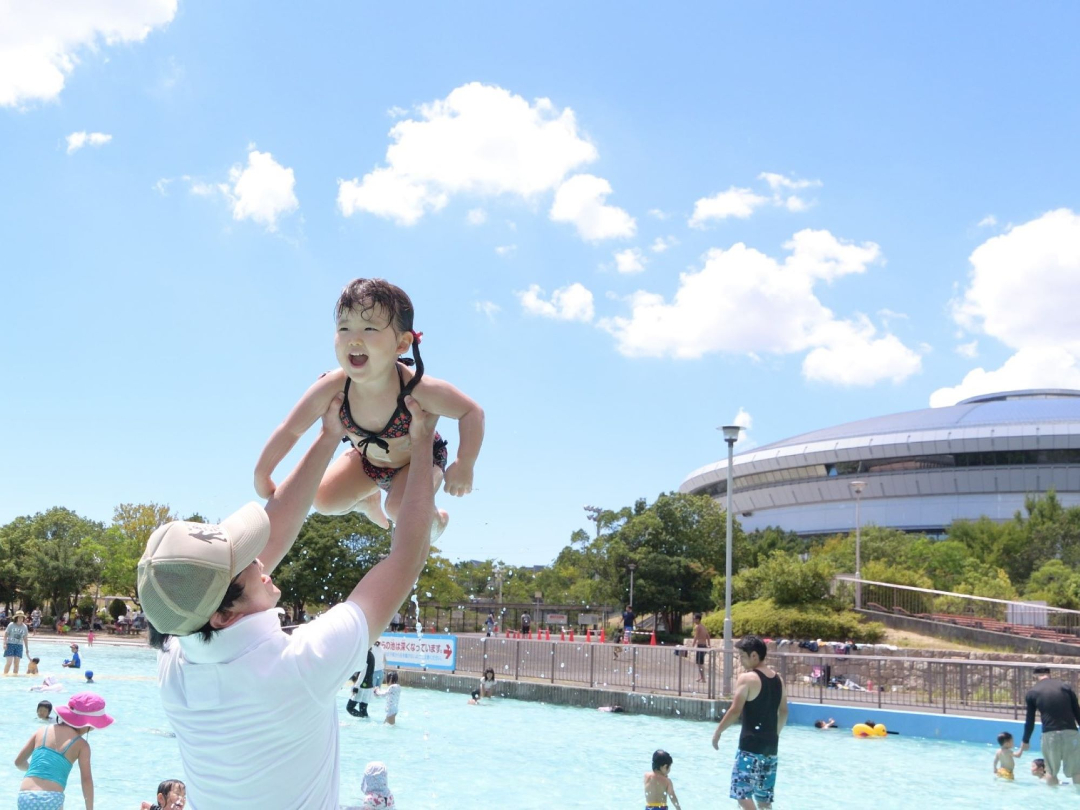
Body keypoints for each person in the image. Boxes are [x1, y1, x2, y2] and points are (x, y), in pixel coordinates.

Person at [138, 392, 439, 809]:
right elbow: (406, 557)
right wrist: (423, 443)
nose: (263, 559)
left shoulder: (175, 658)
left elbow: (270, 533)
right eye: (248, 563)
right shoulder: (301, 663)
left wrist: (329, 434)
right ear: (225, 615)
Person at [254, 277, 485, 541]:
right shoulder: (334, 385)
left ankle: (435, 520)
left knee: (399, 509)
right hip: (368, 462)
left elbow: (471, 412)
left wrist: (464, 463)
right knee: (323, 500)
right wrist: (263, 472)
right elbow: (291, 429)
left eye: (369, 329)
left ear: (401, 344)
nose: (354, 339)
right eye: (344, 328)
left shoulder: (416, 388)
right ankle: (367, 501)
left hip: (418, 463)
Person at [712, 635, 788, 809]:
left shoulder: (747, 678)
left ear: (754, 656)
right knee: (764, 798)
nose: (741, 660)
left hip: (750, 749)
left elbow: (735, 710)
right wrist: (774, 734)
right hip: (771, 749)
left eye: (742, 656)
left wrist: (718, 732)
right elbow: (784, 711)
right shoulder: (779, 680)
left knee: (742, 793)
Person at [14, 692, 113, 810]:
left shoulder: (41, 730)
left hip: (25, 796)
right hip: (52, 798)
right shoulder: (82, 745)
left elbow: (18, 762)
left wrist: (37, 769)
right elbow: (86, 780)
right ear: (88, 723)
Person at [1020, 665, 1080, 786]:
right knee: (1077, 771)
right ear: (1049, 674)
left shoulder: (1033, 692)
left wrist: (1025, 740)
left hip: (1050, 735)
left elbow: (1029, 721)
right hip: (1071, 733)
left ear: (1035, 676)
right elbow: (1077, 713)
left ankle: (1053, 801)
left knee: (1051, 772)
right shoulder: (1066, 687)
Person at [347, 651, 377, 719]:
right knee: (363, 710)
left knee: (349, 708)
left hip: (361, 686)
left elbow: (363, 673)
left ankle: (363, 718)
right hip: (368, 686)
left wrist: (356, 687)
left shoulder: (365, 655)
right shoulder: (371, 654)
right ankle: (365, 720)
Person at [4, 609, 30, 674]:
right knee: (9, 662)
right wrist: (4, 643)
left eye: (22, 617)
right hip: (10, 644)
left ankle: (14, 678)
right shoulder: (11, 625)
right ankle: (4, 676)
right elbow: (6, 634)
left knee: (16, 664)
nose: (20, 618)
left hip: (19, 646)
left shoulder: (24, 627)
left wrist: (27, 648)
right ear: (16, 617)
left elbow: (25, 638)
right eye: (19, 617)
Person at [692, 612, 711, 682]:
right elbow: (708, 636)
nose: (693, 620)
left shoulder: (697, 627)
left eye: (694, 619)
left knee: (699, 663)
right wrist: (708, 644)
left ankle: (703, 678)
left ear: (698, 619)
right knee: (700, 663)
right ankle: (702, 677)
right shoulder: (703, 626)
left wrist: (692, 645)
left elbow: (696, 637)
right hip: (704, 646)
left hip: (700, 646)